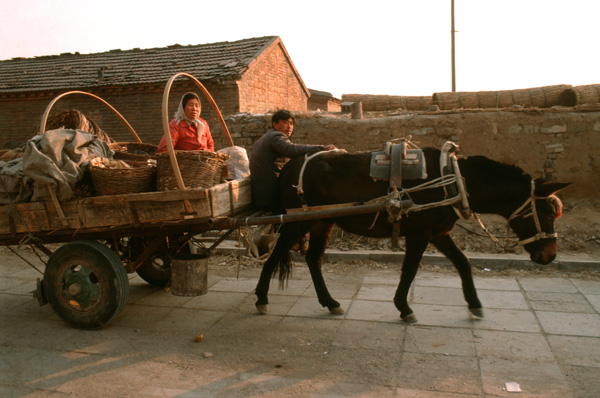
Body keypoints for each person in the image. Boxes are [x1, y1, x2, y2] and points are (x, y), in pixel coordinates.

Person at [249, 109, 337, 214]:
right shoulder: (276, 137)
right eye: (285, 122)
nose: (289, 126)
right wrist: (321, 148)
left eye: (291, 123)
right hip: (270, 190)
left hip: (262, 190)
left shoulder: (266, 136)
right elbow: (291, 150)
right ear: (275, 124)